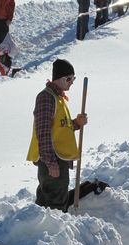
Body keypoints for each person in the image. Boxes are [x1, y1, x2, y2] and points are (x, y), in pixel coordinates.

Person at [26, 59, 87, 210]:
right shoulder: (46, 97)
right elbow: (43, 131)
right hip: (52, 159)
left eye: (73, 79)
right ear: (59, 79)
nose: (71, 82)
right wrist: (50, 162)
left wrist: (76, 123)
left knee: (46, 204)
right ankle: (55, 232)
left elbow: (60, 128)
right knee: (56, 205)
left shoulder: (58, 98)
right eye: (69, 78)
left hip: (58, 159)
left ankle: (42, 230)